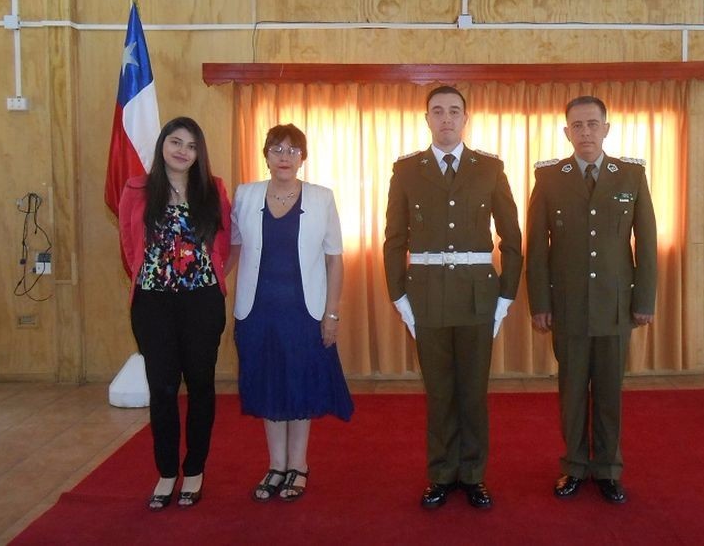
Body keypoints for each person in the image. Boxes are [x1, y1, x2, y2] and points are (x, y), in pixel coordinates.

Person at [383, 85, 523, 510]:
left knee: (473, 392)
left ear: (466, 118)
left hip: (479, 295)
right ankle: (442, 473)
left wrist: (506, 296)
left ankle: (473, 475)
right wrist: (398, 297)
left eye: (454, 111)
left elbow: (512, 238)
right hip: (426, 296)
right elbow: (394, 239)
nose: (446, 118)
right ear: (427, 119)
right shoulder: (406, 170)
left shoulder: (490, 168)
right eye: (438, 111)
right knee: (440, 391)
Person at [526, 95, 657, 505]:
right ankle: (574, 467)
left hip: (616, 306)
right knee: (571, 392)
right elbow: (537, 248)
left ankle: (608, 469)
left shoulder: (631, 176)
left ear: (606, 128)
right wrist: (540, 303)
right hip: (567, 307)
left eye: (592, 124)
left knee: (609, 391)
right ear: (567, 132)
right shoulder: (549, 179)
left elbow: (647, 242)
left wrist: (644, 299)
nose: (585, 132)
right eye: (577, 125)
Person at [231, 123, 353, 503]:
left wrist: (331, 314)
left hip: (304, 310)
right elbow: (233, 248)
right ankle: (276, 465)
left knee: (299, 387)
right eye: (277, 149)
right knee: (269, 385)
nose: (285, 156)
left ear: (304, 158)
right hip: (257, 310)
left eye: (293, 150)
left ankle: (298, 465)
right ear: (265, 155)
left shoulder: (321, 198)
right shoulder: (245, 194)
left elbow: (335, 259)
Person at [118, 116, 232, 511]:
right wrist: (154, 279)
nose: (183, 151)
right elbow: (129, 249)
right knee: (163, 389)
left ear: (199, 153)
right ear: (163, 145)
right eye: (176, 142)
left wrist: (206, 279)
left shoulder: (213, 190)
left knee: (200, 385)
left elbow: (225, 244)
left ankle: (195, 470)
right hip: (153, 305)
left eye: (191, 145)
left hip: (201, 302)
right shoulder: (136, 189)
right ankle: (167, 473)